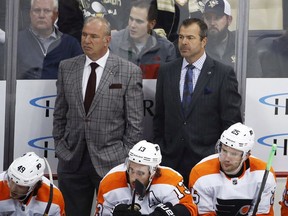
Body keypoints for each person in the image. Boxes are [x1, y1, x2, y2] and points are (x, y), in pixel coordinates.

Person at [53, 16, 144, 216]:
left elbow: (135, 123)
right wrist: (60, 145)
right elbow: (59, 113)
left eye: (94, 36)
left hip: (112, 161)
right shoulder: (66, 68)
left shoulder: (129, 72)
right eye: (84, 35)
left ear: (107, 40)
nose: (87, 40)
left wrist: (124, 156)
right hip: (72, 159)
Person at [153, 18, 242, 185]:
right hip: (171, 161)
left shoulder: (222, 73)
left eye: (190, 38)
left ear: (204, 41)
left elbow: (231, 123)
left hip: (208, 162)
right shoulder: (166, 71)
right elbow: (160, 116)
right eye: (181, 37)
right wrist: (161, 148)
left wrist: (219, 155)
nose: (184, 42)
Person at [189, 122, 276, 215]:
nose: (226, 158)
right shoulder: (201, 173)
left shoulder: (264, 174)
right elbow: (203, 214)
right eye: (224, 150)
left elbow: (263, 213)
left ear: (246, 155)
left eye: (234, 154)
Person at [95, 140, 198, 216]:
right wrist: (114, 212)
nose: (134, 178)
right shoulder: (110, 181)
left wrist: (167, 213)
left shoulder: (170, 180)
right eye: (131, 170)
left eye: (140, 173)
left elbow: (191, 209)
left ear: (153, 172)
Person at [109, 0, 176, 79]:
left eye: (139, 21)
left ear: (152, 24)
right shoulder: (112, 42)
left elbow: (169, 84)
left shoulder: (167, 49)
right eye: (131, 19)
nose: (132, 25)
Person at [17, 0, 83, 79]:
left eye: (47, 11)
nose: (41, 15)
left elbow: (80, 79)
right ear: (30, 14)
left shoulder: (71, 45)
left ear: (56, 15)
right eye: (37, 10)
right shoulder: (15, 42)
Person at [203, 0, 262, 78]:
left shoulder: (243, 44)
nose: (212, 23)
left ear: (229, 20)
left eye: (217, 17)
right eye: (208, 18)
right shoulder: (198, 45)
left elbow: (254, 78)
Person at [0, 152, 65, 215]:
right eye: (11, 180)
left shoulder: (54, 199)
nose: (13, 188)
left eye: (20, 186)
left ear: (34, 185)